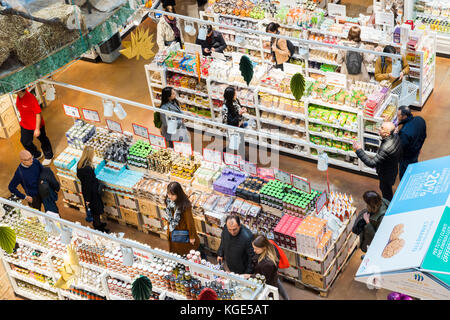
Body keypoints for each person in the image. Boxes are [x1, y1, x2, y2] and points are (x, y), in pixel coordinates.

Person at [353, 122, 402, 201]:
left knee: (386, 191)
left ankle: (387, 206)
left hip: (386, 174)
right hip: (392, 170)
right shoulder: (395, 136)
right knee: (386, 188)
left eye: (382, 128)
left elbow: (371, 163)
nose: (379, 128)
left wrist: (359, 150)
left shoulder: (386, 147)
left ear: (387, 133)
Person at [243, 235, 290, 300]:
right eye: (253, 248)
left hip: (268, 283)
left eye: (256, 249)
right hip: (272, 276)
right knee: (277, 283)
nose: (254, 250)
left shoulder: (267, 264)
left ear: (264, 247)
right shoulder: (270, 247)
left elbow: (264, 278)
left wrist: (251, 276)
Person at [15, 88, 53, 166]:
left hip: (36, 125)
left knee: (43, 140)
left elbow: (38, 113)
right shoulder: (18, 97)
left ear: (19, 89)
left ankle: (49, 156)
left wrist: (37, 129)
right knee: (24, 141)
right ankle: (37, 154)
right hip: (25, 125)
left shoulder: (30, 98)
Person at [76, 146, 109, 233]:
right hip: (91, 194)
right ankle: (98, 227)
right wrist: (88, 199)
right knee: (96, 211)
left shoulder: (80, 164)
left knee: (95, 211)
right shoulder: (88, 168)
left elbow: (82, 179)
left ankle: (99, 224)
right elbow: (88, 185)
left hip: (88, 192)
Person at [163, 181, 200, 256]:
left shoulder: (185, 205)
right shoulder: (169, 201)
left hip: (182, 233)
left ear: (178, 194)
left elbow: (190, 222)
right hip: (173, 231)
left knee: (186, 251)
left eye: (172, 194)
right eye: (168, 193)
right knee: (175, 249)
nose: (169, 196)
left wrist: (192, 237)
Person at [352, 191, 390, 256]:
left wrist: (368, 222)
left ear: (372, 205)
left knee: (372, 252)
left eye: (367, 204)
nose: (366, 206)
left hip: (373, 243)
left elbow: (377, 237)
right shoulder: (382, 201)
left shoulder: (381, 218)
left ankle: (369, 255)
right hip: (369, 239)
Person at [396, 106, 427, 180]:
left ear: (404, 116)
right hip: (416, 151)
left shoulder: (404, 132)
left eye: (398, 116)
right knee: (414, 168)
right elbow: (424, 135)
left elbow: (401, 147)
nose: (397, 117)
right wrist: (419, 147)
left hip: (406, 157)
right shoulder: (420, 119)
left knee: (405, 176)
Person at [221, 86, 247, 158]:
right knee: (236, 143)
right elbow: (231, 122)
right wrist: (240, 114)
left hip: (239, 125)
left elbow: (238, 107)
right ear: (231, 96)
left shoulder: (235, 100)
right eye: (235, 94)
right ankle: (242, 157)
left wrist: (242, 109)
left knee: (240, 142)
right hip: (232, 129)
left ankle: (241, 155)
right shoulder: (226, 108)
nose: (236, 95)